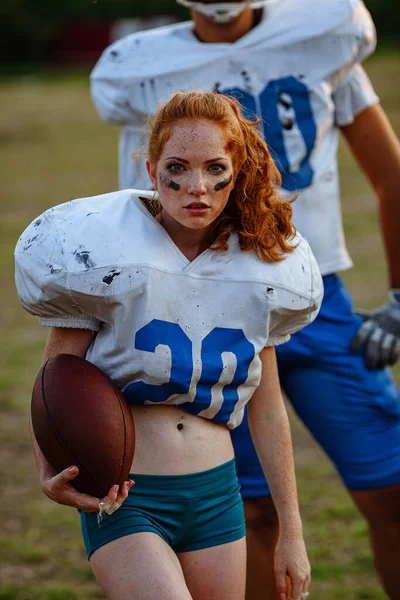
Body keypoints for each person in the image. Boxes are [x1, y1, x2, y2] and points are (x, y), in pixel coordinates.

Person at [90, 1, 400, 599]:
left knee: (391, 486)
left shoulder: (322, 40)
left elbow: (391, 174)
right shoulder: (144, 67)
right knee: (248, 510)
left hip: (317, 297)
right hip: (205, 308)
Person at [15, 91, 323, 600]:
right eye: (178, 167)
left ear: (237, 167)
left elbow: (267, 407)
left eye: (215, 168)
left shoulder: (261, 265)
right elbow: (56, 376)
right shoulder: (107, 252)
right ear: (152, 169)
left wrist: (292, 530)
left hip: (217, 494)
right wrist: (46, 466)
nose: (196, 187)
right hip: (126, 491)